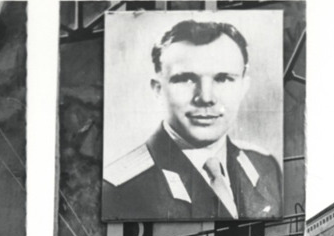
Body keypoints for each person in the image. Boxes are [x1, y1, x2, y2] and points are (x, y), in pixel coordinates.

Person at [102, 19, 282, 221]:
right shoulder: (120, 190)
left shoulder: (264, 166)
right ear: (158, 89)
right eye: (186, 79)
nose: (206, 97)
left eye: (223, 78)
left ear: (243, 86)